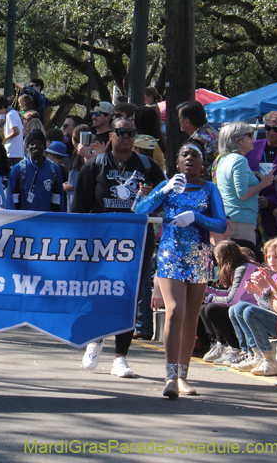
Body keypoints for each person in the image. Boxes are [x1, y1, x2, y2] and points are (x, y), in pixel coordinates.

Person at [72, 117, 166, 378]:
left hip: (137, 239)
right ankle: (96, 338)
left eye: (130, 132)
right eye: (120, 132)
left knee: (129, 295)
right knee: (99, 290)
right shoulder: (94, 165)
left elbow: (164, 201)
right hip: (101, 240)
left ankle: (120, 357)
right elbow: (79, 208)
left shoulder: (148, 166)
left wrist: (150, 197)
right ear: (110, 136)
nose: (125, 136)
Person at [136, 142, 227, 398]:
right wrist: (163, 190)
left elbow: (221, 224)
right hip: (171, 254)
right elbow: (139, 211)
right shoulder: (168, 186)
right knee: (175, 310)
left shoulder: (210, 189)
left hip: (199, 256)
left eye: (194, 155)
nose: (189, 158)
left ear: (202, 163)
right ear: (176, 163)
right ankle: (170, 376)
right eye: (184, 155)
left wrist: (196, 217)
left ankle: (183, 376)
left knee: (191, 316)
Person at [228, 238, 277, 377]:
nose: (271, 260)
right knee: (238, 308)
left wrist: (266, 290)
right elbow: (271, 306)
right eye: (268, 257)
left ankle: (269, 359)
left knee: (250, 311)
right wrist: (259, 291)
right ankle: (256, 354)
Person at [199, 240, 260, 365]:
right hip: (241, 309)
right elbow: (230, 293)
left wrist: (209, 297)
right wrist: (209, 291)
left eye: (217, 258)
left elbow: (232, 300)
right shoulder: (239, 268)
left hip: (251, 311)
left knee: (212, 309)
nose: (217, 261)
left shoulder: (244, 269)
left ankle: (235, 347)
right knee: (205, 308)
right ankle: (221, 344)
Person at [214, 122, 276, 244]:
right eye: (250, 135)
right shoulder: (239, 160)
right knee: (245, 255)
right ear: (238, 140)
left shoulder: (223, 159)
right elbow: (243, 194)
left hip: (229, 218)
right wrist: (264, 183)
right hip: (241, 221)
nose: (253, 139)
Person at [243, 111, 277, 238]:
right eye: (268, 128)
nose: (271, 132)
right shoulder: (252, 147)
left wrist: (271, 200)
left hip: (275, 216)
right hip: (250, 210)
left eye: (276, 129)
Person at [6, 129, 62, 212]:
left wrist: (56, 218)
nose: (35, 146)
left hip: (46, 218)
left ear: (44, 146)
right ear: (27, 146)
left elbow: (58, 198)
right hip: (24, 218)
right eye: (32, 143)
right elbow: (12, 200)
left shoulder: (54, 169)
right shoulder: (17, 170)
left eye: (39, 143)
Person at [177, 100, 219, 180]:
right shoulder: (213, 132)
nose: (179, 121)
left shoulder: (196, 141)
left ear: (187, 121)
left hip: (204, 183)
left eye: (179, 118)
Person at [0, 96, 24, 165]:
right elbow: (22, 130)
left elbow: (17, 131)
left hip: (12, 152)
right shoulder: (15, 113)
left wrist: (5, 138)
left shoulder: (10, 115)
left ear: (2, 106)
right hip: (18, 152)